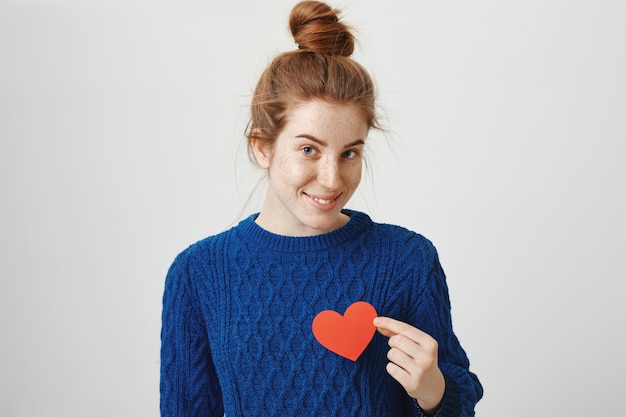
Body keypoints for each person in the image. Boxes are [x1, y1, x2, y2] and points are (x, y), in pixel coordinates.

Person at [160, 1, 483, 416]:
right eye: (309, 149)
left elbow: (458, 401)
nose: (331, 179)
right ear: (262, 147)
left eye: (350, 153)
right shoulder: (198, 273)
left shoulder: (407, 260)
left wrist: (434, 390)